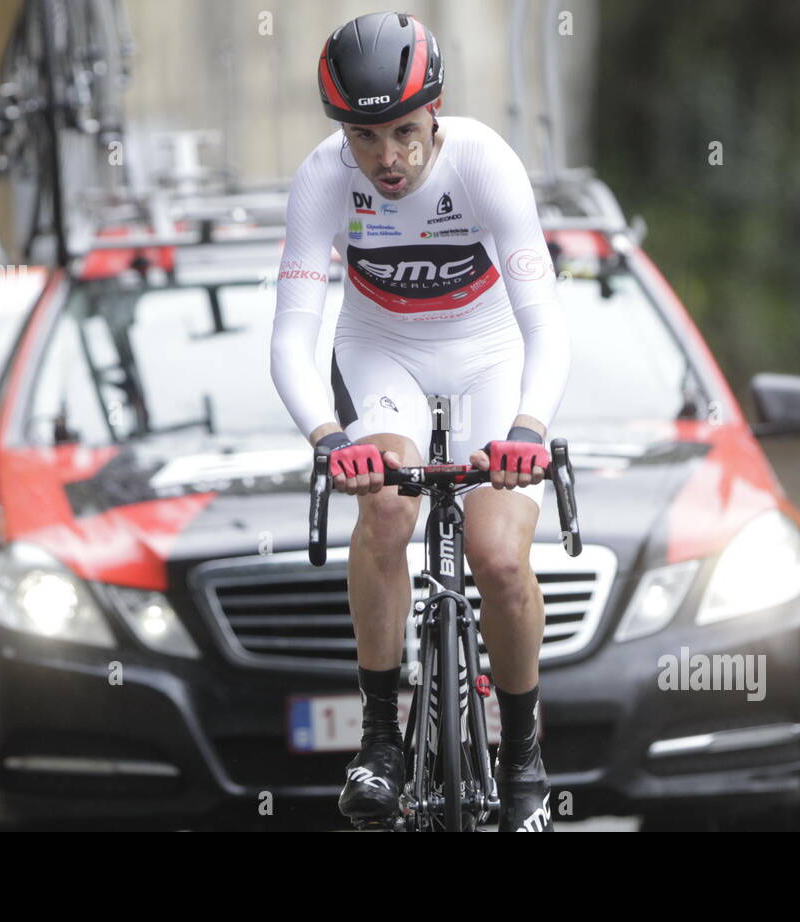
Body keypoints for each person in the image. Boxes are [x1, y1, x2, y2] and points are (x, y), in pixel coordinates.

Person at [269, 11, 570, 832]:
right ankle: (379, 741)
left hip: (489, 351)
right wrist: (328, 440)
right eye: (366, 138)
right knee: (387, 507)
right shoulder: (323, 179)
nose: (389, 159)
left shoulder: (484, 164)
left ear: (434, 113)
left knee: (499, 558)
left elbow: (545, 323)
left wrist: (530, 430)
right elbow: (292, 336)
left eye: (405, 132)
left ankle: (521, 758)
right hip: (382, 350)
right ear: (343, 134)